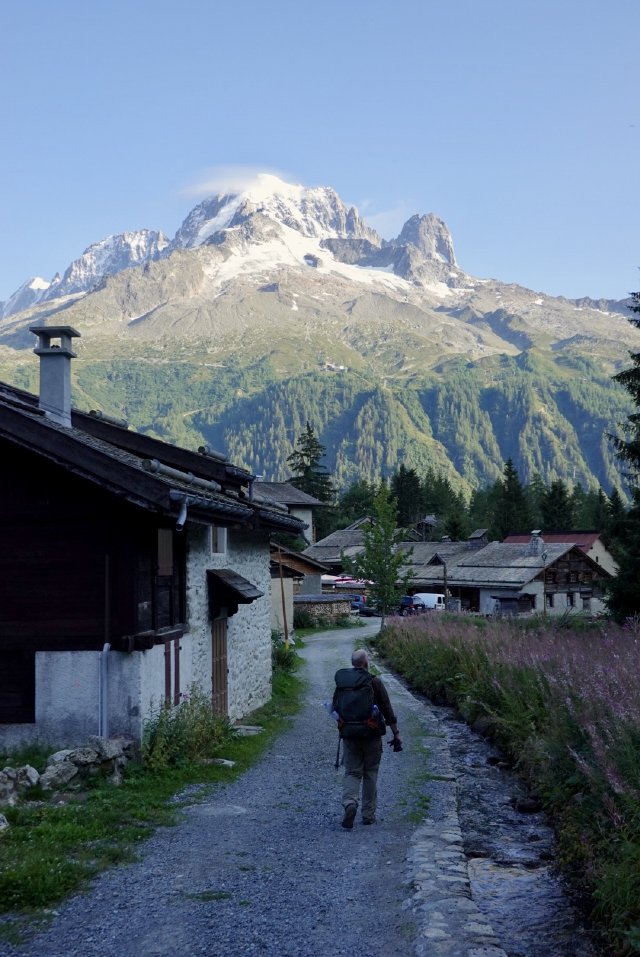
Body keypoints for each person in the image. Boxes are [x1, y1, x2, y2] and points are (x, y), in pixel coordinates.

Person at [333, 648, 402, 828]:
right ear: (366, 663)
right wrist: (396, 733)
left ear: (353, 663)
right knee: (370, 773)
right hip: (371, 734)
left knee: (352, 772)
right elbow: (387, 709)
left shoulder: (343, 683)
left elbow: (335, 708)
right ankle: (368, 815)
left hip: (349, 734)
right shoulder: (375, 682)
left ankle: (349, 803)